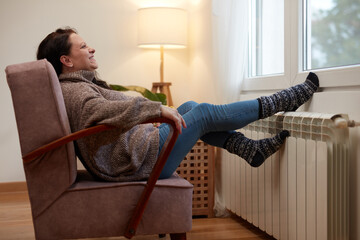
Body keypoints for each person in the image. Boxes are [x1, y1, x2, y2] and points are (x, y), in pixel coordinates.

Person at [36, 27, 319, 182]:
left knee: (190, 106)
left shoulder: (78, 85)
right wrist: (156, 109)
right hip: (137, 163)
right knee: (205, 113)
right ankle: (284, 100)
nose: (91, 48)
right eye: (83, 46)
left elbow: (110, 109)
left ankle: (249, 149)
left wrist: (155, 113)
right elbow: (104, 112)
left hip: (137, 153)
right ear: (67, 60)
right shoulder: (74, 92)